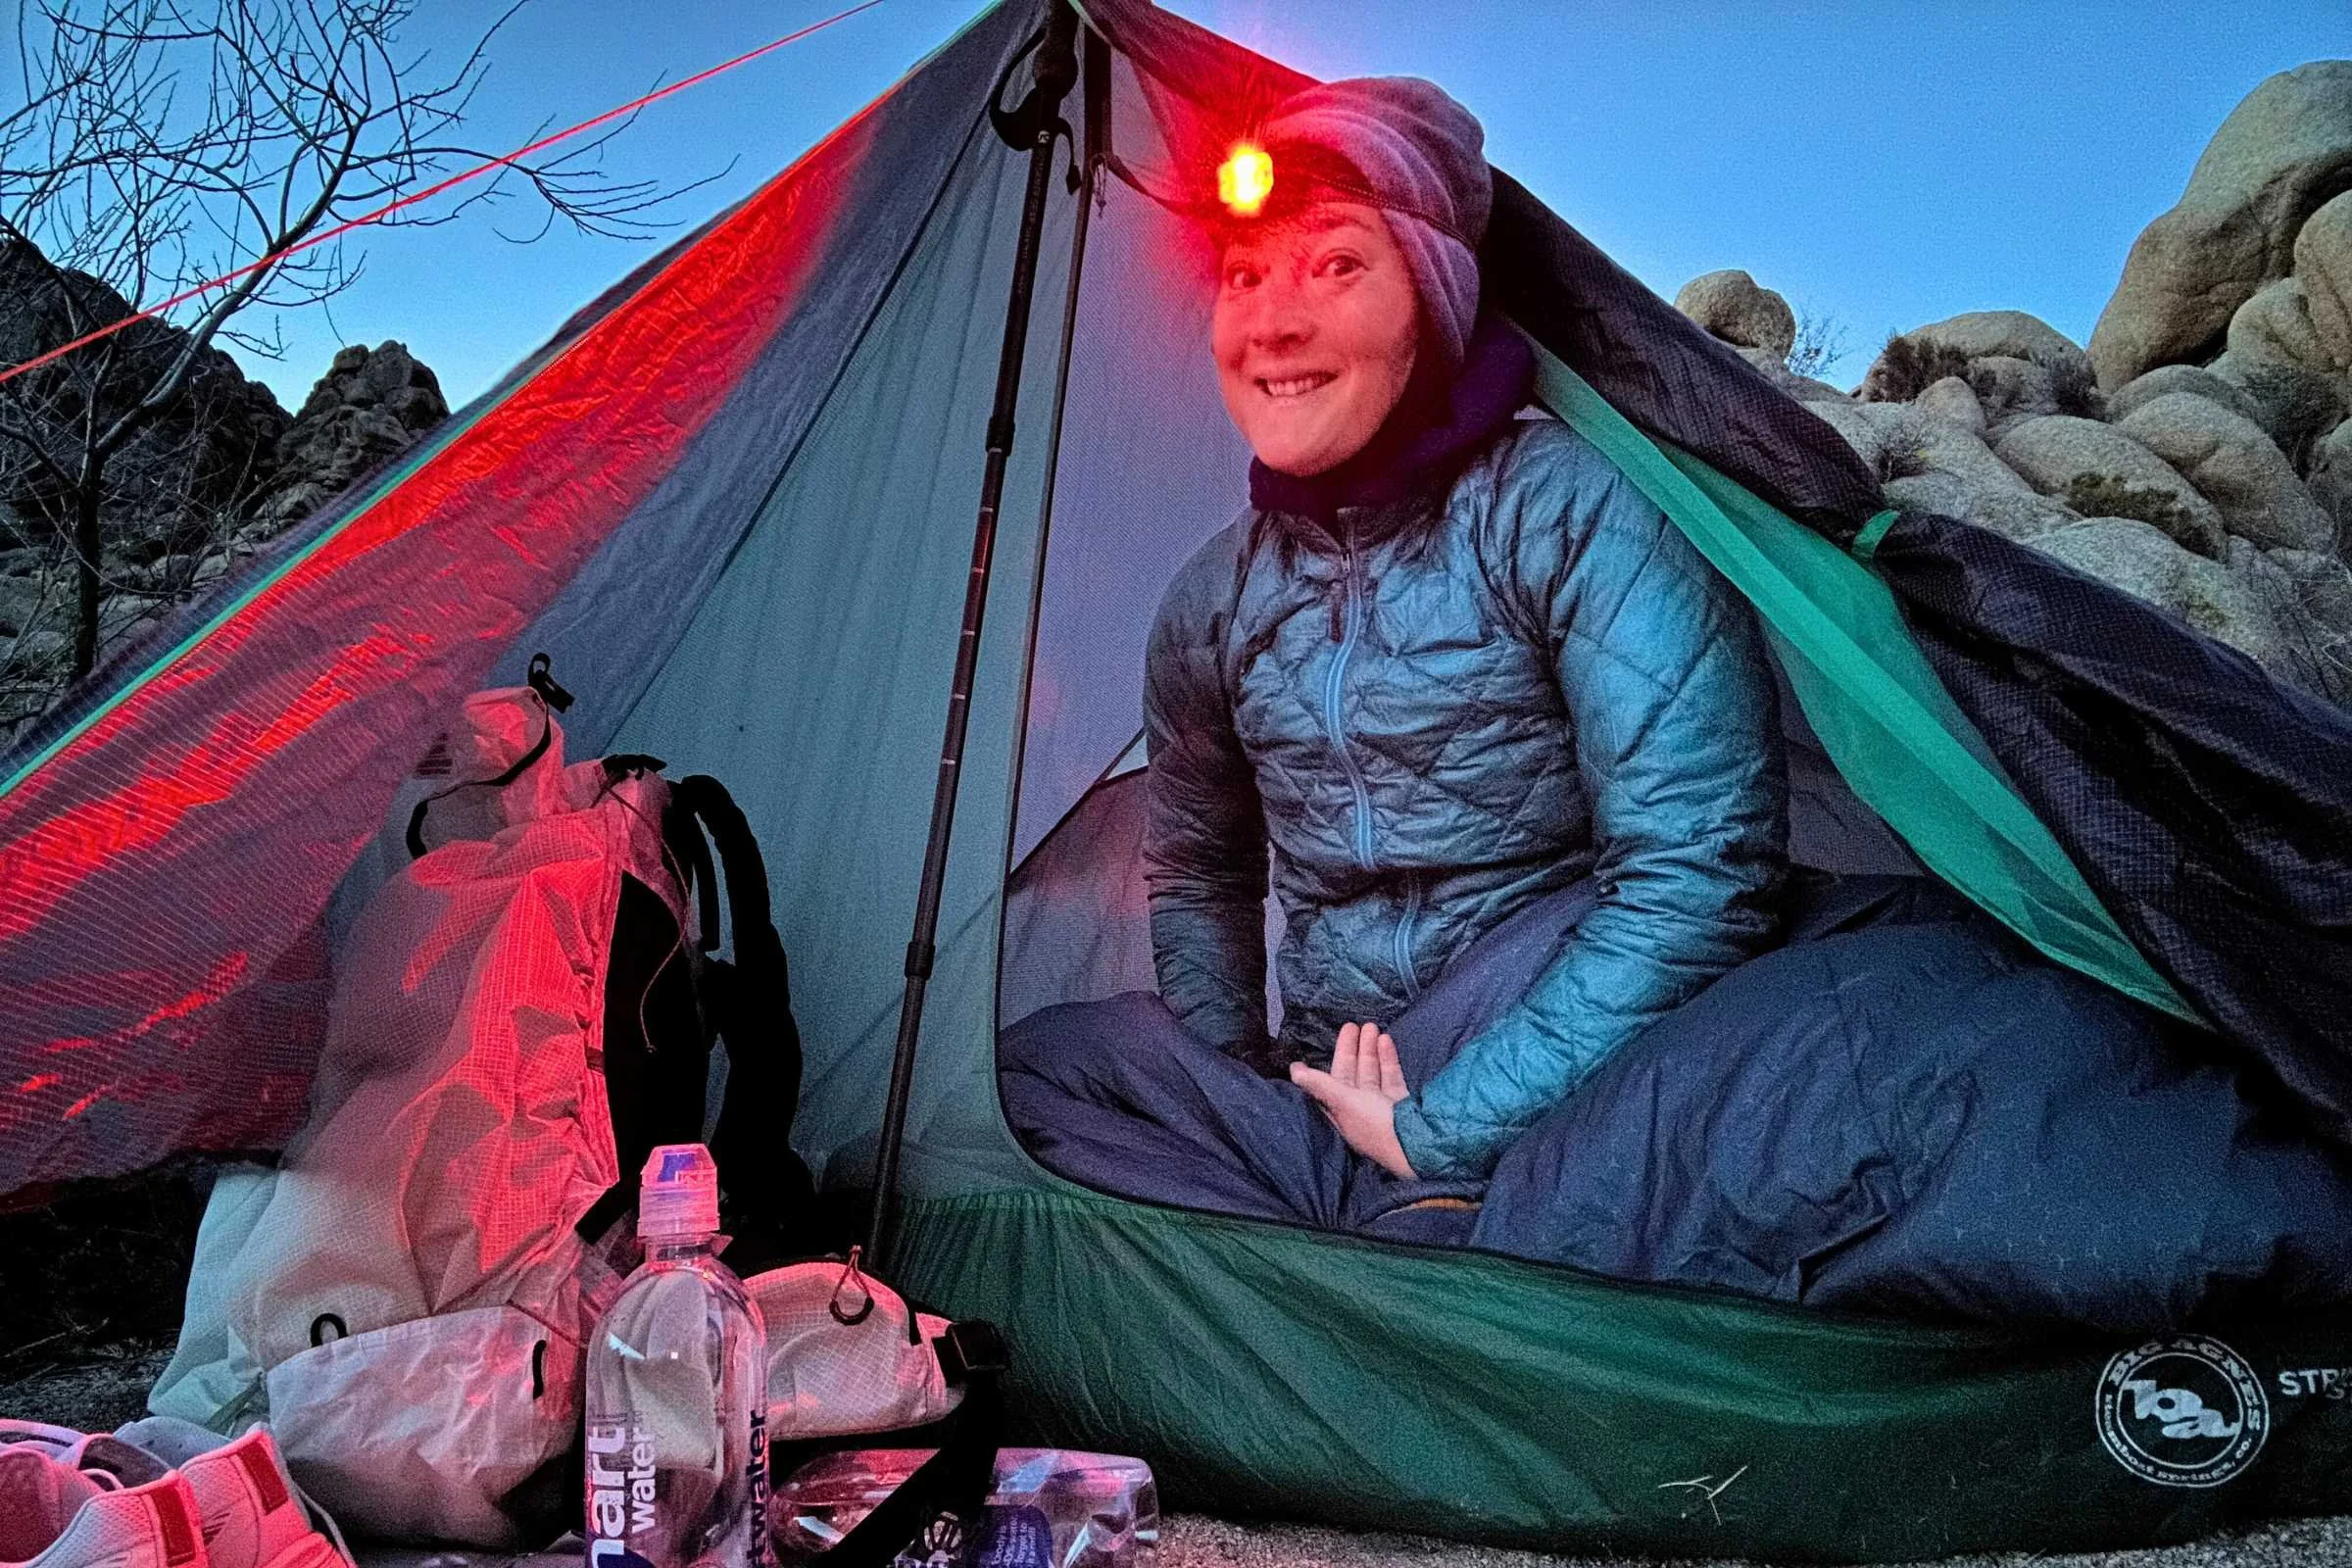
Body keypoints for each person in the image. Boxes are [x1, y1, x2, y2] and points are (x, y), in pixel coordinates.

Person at [1002, 74, 1787, 1231]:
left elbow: (1699, 870)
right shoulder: (1212, 600)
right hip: (1336, 1068)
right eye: (1245, 277)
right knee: (1027, 1082)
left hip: (1556, 1031)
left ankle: (1421, 1218)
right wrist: (1242, 1084)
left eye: (1336, 265)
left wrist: (1439, 1123)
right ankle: (1341, 1228)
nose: (1274, 324)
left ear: (1436, 291)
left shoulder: (1568, 511)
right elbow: (1203, 871)